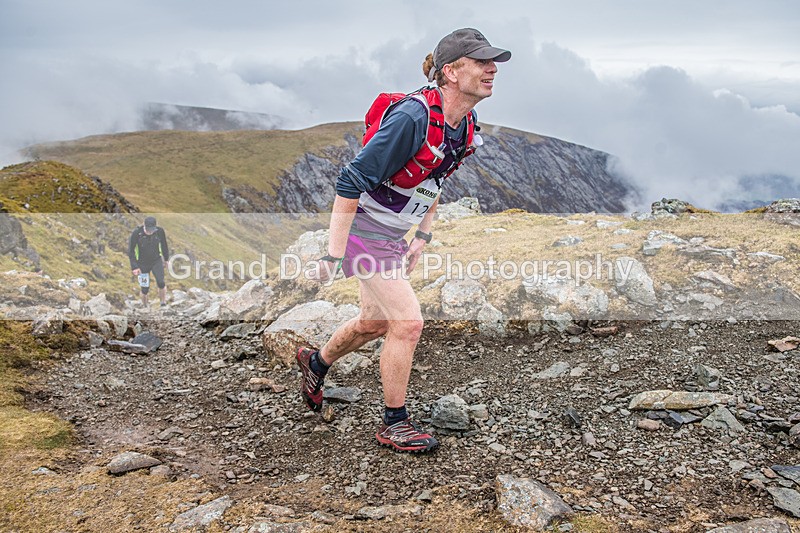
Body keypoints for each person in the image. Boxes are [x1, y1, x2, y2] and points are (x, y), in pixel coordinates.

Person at [296, 28, 511, 453]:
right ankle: (394, 422)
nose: (492, 69)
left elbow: (434, 178)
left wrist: (422, 236)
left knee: (374, 323)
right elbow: (350, 180)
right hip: (362, 233)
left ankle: (315, 362)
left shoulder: (462, 125)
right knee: (408, 323)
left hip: (392, 237)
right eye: (481, 61)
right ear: (450, 72)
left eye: (494, 62)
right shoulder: (412, 118)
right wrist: (334, 253)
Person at [128, 216, 170, 308]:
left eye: (152, 230)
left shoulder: (159, 231)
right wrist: (134, 267)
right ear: (144, 226)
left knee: (161, 282)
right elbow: (131, 251)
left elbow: (164, 245)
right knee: (145, 288)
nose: (150, 232)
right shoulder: (137, 233)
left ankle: (163, 303)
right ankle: (145, 306)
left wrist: (166, 259)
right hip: (142, 263)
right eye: (148, 230)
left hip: (156, 261)